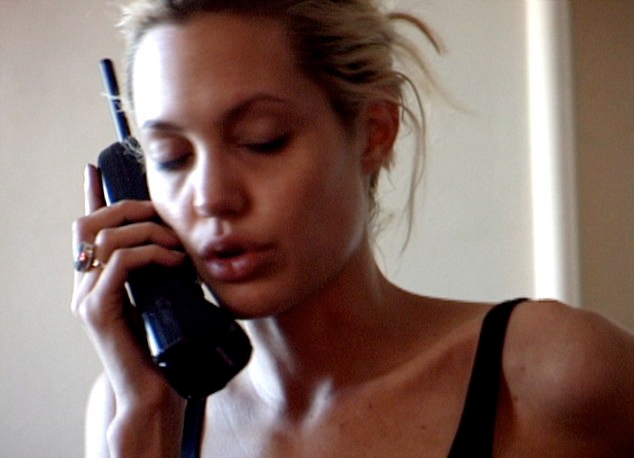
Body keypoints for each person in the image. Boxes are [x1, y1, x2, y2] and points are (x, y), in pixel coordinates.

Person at [71, 1, 634, 457]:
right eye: (170, 157)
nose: (211, 197)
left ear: (374, 132)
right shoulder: (131, 410)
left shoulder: (556, 375)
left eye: (263, 140)